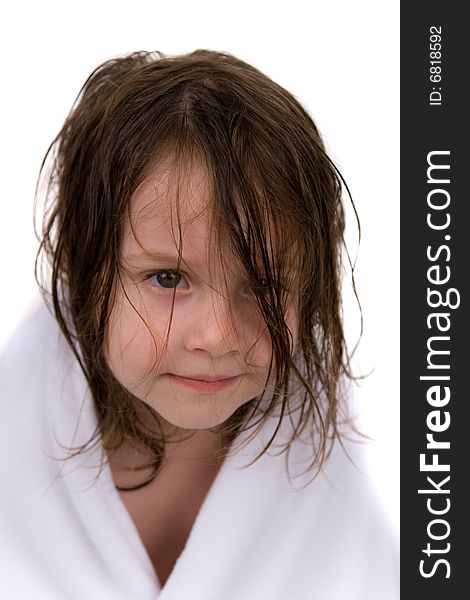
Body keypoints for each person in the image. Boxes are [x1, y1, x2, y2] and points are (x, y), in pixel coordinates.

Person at [0, 50, 398, 599]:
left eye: (263, 285)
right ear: (86, 270)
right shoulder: (12, 444)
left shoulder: (324, 472)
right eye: (167, 278)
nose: (219, 337)